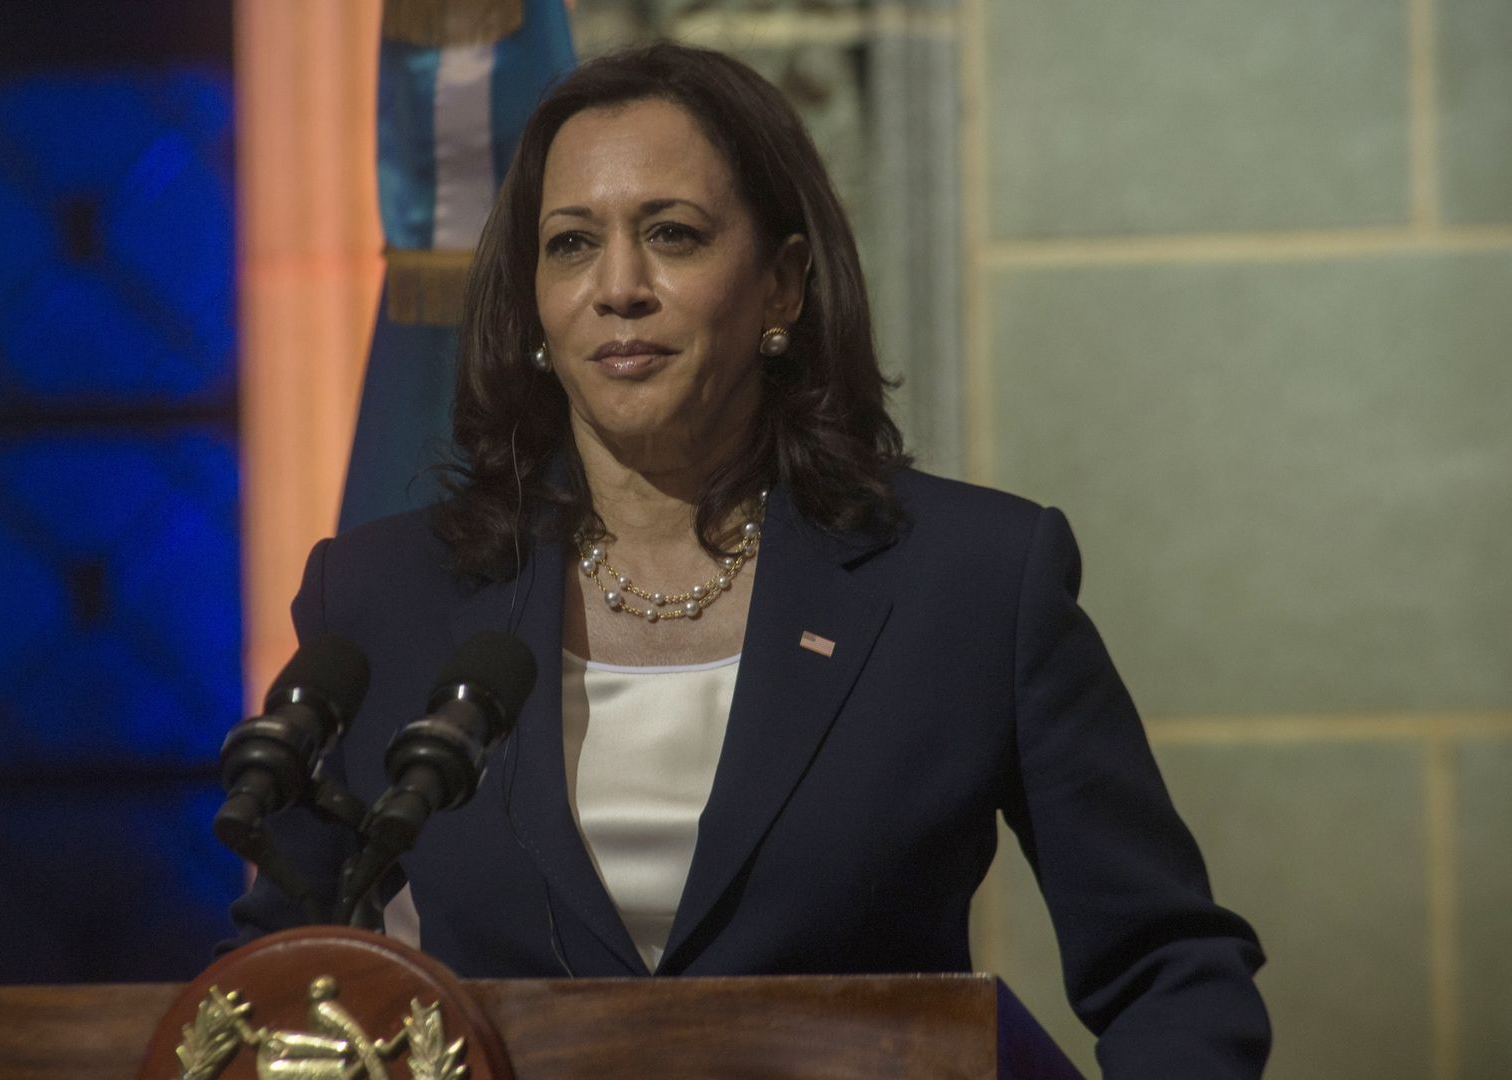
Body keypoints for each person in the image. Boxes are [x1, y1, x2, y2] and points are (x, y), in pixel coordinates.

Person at [228, 43, 1270, 1078]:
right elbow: (268, 986)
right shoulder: (384, 596)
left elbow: (1171, 968)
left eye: (672, 235)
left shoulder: (975, 581)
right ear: (535, 302)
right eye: (572, 243)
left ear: (780, 287)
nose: (618, 287)